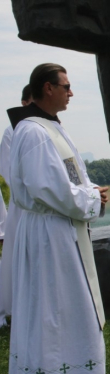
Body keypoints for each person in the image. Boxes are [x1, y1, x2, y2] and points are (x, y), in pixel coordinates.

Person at [7, 63, 107, 374]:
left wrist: (92, 189)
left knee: (68, 302)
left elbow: (75, 176)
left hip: (64, 228)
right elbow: (48, 188)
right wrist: (92, 198)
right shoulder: (33, 132)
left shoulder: (50, 127)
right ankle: (53, 365)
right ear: (48, 88)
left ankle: (76, 363)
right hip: (50, 231)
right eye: (66, 86)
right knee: (52, 304)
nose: (71, 93)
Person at [0, 84, 33, 324]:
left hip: (49, 205)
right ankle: (14, 308)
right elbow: (9, 170)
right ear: (24, 103)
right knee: (17, 256)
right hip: (24, 205)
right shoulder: (12, 131)